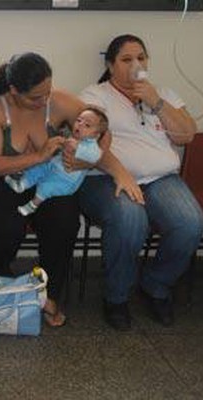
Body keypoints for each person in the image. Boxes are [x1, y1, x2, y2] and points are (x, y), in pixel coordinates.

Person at [0, 52, 141, 328]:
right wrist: (38, 157)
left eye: (47, 93)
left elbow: (103, 129)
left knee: (64, 221)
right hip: (6, 179)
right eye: (35, 97)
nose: (43, 101)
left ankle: (50, 295)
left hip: (50, 181)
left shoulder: (59, 101)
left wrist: (87, 159)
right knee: (4, 226)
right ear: (14, 91)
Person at [78, 34, 203, 330]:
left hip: (161, 180)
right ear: (110, 65)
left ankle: (156, 285)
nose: (136, 64)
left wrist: (155, 102)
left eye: (141, 58)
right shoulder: (95, 96)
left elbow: (186, 134)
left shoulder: (163, 94)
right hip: (105, 180)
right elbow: (87, 143)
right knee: (130, 218)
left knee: (190, 223)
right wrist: (121, 173)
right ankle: (116, 297)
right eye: (126, 59)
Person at [5, 106, 108, 216]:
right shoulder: (73, 137)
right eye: (79, 120)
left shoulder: (92, 147)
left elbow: (94, 157)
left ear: (95, 135)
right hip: (53, 166)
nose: (80, 125)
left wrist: (77, 148)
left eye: (87, 125)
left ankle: (32, 205)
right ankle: (22, 184)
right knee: (37, 169)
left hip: (64, 180)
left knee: (45, 187)